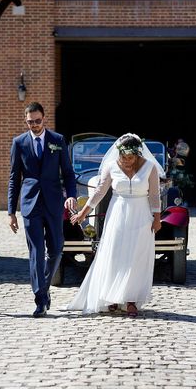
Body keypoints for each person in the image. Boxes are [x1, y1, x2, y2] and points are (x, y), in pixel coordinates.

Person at [67, 134, 163, 316]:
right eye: (124, 157)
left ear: (138, 155)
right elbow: (99, 192)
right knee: (115, 254)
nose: (127, 161)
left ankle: (131, 300)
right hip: (118, 212)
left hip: (141, 214)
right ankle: (110, 297)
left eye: (131, 158)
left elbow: (155, 195)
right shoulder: (111, 166)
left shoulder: (150, 168)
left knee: (136, 257)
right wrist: (83, 213)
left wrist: (157, 218)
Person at [8, 102, 77, 318]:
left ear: (44, 119)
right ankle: (40, 299)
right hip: (30, 204)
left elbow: (67, 172)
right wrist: (11, 211)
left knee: (56, 248)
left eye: (38, 121)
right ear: (26, 121)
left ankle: (44, 289)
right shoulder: (18, 143)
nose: (35, 125)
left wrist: (72, 195)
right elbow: (13, 179)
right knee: (36, 252)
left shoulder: (57, 140)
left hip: (54, 202)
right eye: (30, 122)